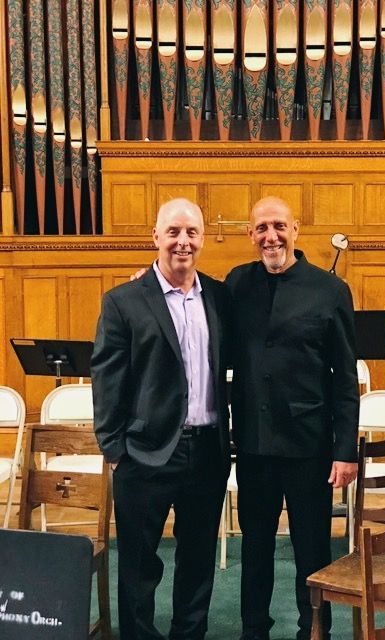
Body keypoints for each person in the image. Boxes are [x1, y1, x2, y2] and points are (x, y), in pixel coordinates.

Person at [91, 198, 231, 640]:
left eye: (191, 233)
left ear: (203, 240)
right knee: (138, 564)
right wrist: (115, 450)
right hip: (144, 454)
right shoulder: (124, 301)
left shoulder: (221, 297)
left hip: (207, 450)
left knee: (197, 561)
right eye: (173, 232)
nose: (182, 242)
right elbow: (106, 380)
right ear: (155, 237)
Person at [225, 197, 359, 640]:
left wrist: (345, 451)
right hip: (253, 445)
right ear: (250, 235)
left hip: (311, 448)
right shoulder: (236, 284)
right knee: (256, 550)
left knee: (313, 551)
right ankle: (253, 630)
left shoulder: (329, 289)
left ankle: (314, 630)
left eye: (279, 226)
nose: (271, 236)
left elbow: (344, 379)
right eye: (261, 227)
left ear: (296, 230)